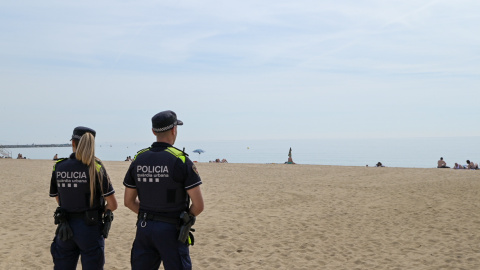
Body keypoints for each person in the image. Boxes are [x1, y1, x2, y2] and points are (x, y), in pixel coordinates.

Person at [124, 110, 204, 270]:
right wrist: (185, 218)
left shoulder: (139, 159)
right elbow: (198, 205)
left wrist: (150, 215)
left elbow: (128, 201)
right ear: (174, 130)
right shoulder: (180, 160)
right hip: (171, 229)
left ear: (153, 131)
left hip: (144, 227)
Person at [49, 126, 118, 270]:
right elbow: (113, 204)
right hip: (90, 227)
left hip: (65, 226)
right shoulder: (96, 167)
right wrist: (102, 211)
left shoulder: (59, 167)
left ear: (73, 143)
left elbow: (59, 199)